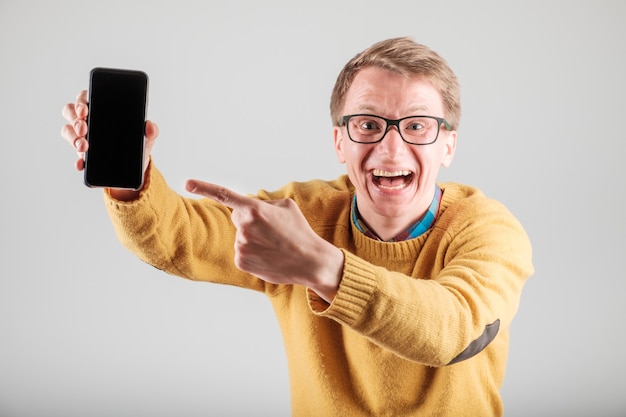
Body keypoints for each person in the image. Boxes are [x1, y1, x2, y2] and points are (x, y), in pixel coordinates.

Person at [61, 37, 533, 416]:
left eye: (417, 126)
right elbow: (179, 239)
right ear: (338, 142)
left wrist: (318, 265)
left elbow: (455, 331)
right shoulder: (302, 217)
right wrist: (130, 180)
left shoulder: (488, 229)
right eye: (368, 125)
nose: (391, 150)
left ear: (447, 145)